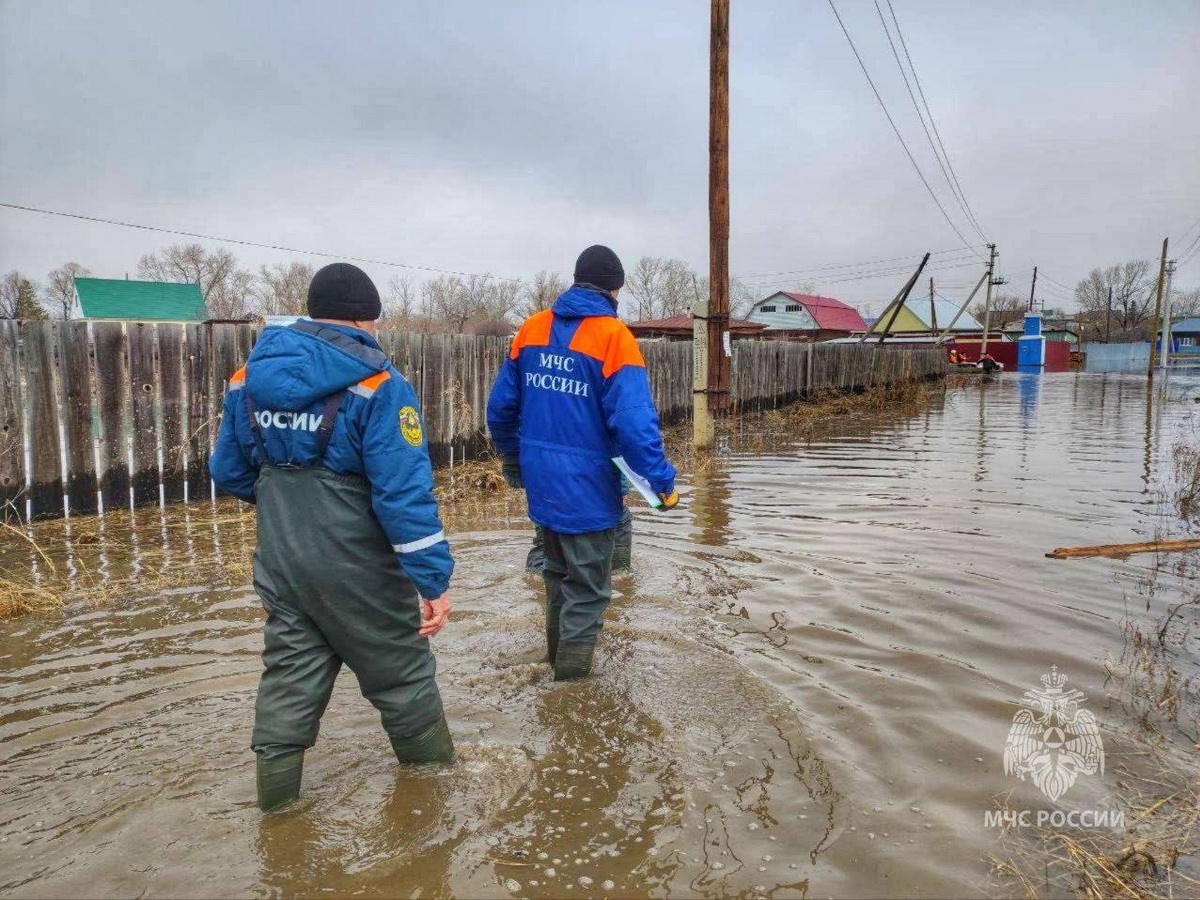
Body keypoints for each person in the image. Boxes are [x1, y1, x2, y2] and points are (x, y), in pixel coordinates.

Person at [211, 263, 455, 813]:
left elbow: (228, 471)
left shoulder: (246, 378)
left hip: (281, 561)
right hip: (357, 567)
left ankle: (276, 816)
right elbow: (403, 497)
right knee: (403, 678)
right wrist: (434, 579)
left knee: (290, 678)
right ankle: (437, 804)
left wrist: (287, 509)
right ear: (367, 319)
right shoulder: (379, 385)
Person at [487, 245, 678, 681]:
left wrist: (514, 459)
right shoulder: (614, 337)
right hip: (590, 487)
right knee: (589, 592)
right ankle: (570, 693)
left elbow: (500, 408)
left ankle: (555, 666)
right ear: (617, 288)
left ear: (575, 280)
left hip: (542, 483)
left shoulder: (532, 328)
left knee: (556, 578)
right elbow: (634, 425)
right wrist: (661, 482)